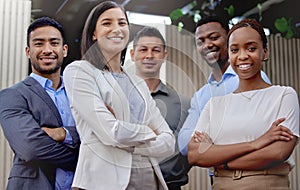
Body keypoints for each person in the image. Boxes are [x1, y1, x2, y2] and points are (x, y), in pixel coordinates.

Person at [63, 1, 175, 190]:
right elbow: (112, 133)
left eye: (122, 23)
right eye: (107, 23)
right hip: (102, 182)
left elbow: (169, 142)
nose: (116, 29)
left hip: (148, 179)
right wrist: (148, 131)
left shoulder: (138, 82)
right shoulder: (79, 71)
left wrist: (130, 142)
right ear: (94, 33)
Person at [188, 18, 299, 189]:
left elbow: (277, 152)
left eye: (251, 48)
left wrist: (220, 159)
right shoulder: (214, 104)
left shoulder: (283, 95)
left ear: (265, 52)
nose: (242, 56)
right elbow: (195, 155)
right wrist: (256, 143)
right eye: (234, 50)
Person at [0, 17, 80, 190]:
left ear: (64, 50)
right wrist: (83, 158)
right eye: (39, 44)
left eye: (54, 43)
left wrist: (63, 133)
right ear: (28, 51)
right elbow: (30, 148)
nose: (47, 50)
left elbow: (99, 136)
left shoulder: (80, 94)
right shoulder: (12, 95)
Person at [178, 16, 271, 156]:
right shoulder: (201, 95)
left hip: (251, 172)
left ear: (229, 39)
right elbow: (184, 144)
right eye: (200, 41)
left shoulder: (255, 78)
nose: (207, 45)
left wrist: (209, 143)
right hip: (216, 177)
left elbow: (261, 133)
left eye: (214, 37)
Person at [130, 26, 191, 190]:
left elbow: (187, 150)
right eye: (143, 49)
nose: (149, 55)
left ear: (165, 55)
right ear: (132, 54)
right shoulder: (118, 100)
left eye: (156, 50)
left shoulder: (184, 104)